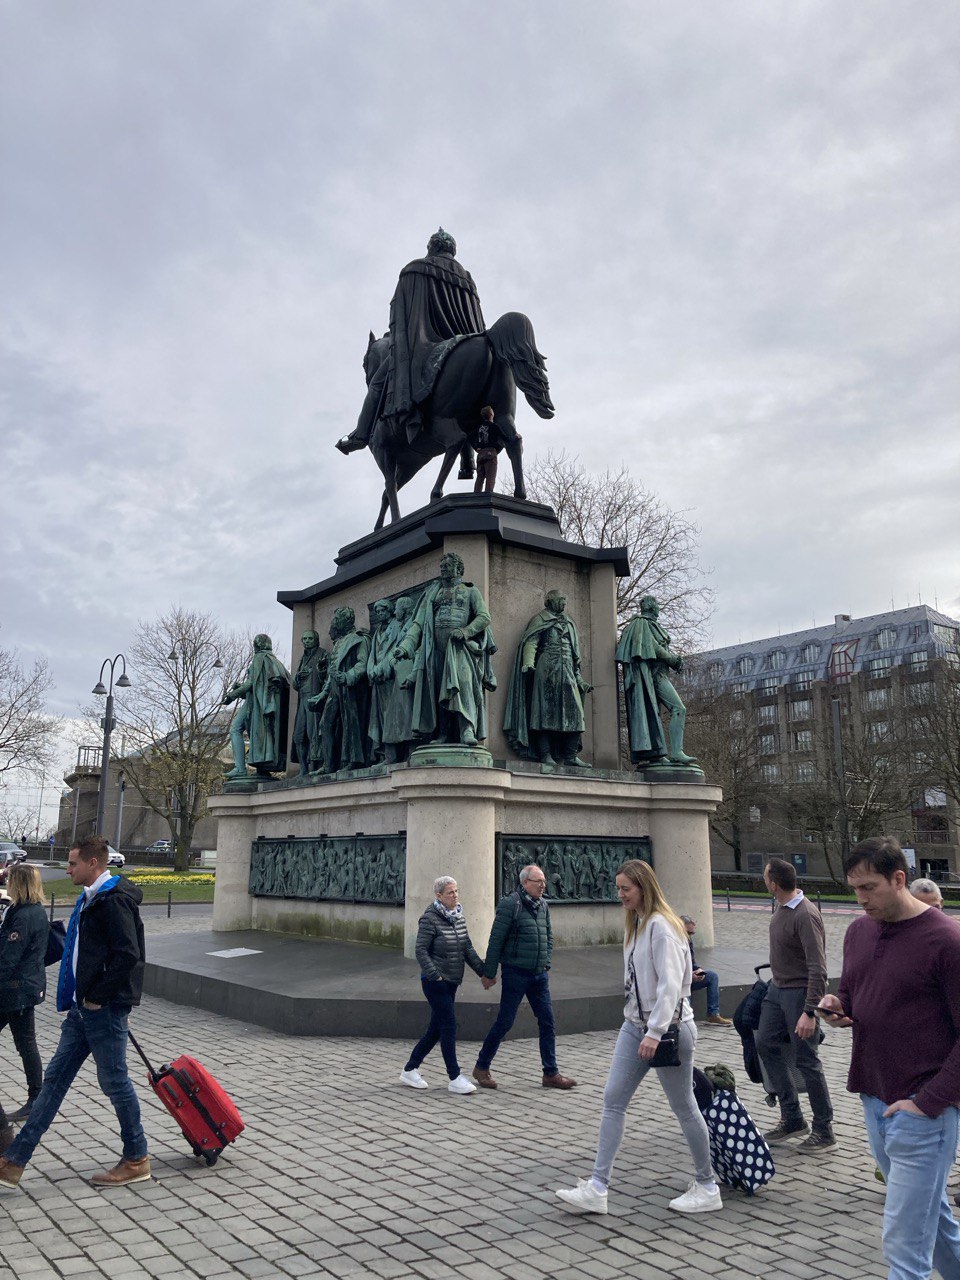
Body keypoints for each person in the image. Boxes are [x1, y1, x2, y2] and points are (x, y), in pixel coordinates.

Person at [819, 836, 960, 1280]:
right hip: (874, 1097)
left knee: (903, 1243)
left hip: (924, 1109)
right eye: (854, 888)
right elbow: (854, 992)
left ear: (899, 879)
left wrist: (929, 1102)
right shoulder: (860, 930)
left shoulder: (947, 941)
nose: (860, 899)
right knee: (932, 1223)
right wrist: (840, 1007)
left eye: (869, 888)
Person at [555, 859, 721, 1215]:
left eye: (625, 889)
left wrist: (656, 1031)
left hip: (668, 1030)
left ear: (644, 887)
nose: (620, 896)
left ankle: (707, 1185)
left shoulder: (661, 926)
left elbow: (672, 986)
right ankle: (598, 1186)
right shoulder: (639, 924)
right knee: (613, 1099)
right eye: (618, 889)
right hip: (636, 1026)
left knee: (685, 1107)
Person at [0, 835, 149, 1192]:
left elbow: (128, 955)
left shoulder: (113, 902)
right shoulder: (92, 898)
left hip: (104, 1009)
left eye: (72, 864)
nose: (67, 869)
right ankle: (13, 1162)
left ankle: (136, 1157)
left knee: (114, 1082)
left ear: (93, 864)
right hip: (81, 1011)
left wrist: (98, 997)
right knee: (53, 1084)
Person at [337, 227, 486, 454]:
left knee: (377, 383)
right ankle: (468, 451)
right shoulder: (468, 280)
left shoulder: (415, 269)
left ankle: (360, 435)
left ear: (432, 247)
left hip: (424, 344)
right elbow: (476, 321)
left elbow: (400, 315)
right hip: (466, 339)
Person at [472, 865, 576, 1091]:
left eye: (544, 881)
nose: (543, 885)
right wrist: (489, 973)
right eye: (538, 881)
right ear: (524, 883)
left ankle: (550, 1073)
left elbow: (548, 935)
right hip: (516, 973)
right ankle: (481, 1067)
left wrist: (546, 960)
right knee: (505, 1022)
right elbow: (496, 940)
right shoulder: (511, 905)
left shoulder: (543, 905)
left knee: (548, 1022)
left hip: (539, 975)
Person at [757, 857, 835, 1151]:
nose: (764, 882)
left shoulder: (805, 914)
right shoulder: (781, 907)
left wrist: (810, 1012)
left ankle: (824, 1130)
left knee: (807, 1060)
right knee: (764, 1043)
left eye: (765, 878)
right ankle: (792, 1118)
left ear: (773, 884)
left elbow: (818, 967)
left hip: (799, 994)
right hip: (777, 991)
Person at [395, 551, 495, 748]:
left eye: (447, 566)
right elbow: (418, 624)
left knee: (463, 686)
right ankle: (444, 732)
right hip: (436, 649)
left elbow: (484, 617)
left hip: (460, 648)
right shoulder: (433, 593)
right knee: (438, 690)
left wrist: (466, 631)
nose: (443, 569)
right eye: (441, 566)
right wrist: (405, 648)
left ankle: (467, 729)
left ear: (458, 568)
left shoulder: (470, 592)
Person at [400, 877, 485, 1095]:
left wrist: (485, 973)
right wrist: (434, 975)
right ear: (439, 896)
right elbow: (420, 950)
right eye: (450, 893)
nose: (455, 896)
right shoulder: (429, 919)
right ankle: (454, 1077)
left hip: (453, 981)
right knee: (449, 1025)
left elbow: (468, 950)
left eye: (456, 891)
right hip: (435, 983)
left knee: (436, 1029)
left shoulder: (459, 917)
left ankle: (410, 1069)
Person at [503, 589, 592, 766]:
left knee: (575, 715)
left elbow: (576, 657)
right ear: (550, 601)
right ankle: (545, 754)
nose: (564, 604)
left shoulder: (569, 623)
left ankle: (570, 755)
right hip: (546, 670)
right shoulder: (539, 620)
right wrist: (528, 662)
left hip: (567, 671)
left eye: (565, 601)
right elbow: (531, 641)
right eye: (561, 600)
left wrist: (579, 679)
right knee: (544, 714)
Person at [616, 595, 696, 767]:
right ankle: (676, 753)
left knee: (659, 714)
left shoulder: (650, 625)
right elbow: (653, 647)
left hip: (660, 675)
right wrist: (673, 659)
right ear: (652, 607)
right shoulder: (641, 623)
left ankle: (663, 753)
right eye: (657, 605)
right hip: (652, 676)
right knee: (678, 708)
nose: (659, 608)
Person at [0, 865, 49, 1144]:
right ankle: (36, 1096)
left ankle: (36, 1096)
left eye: (10, 880)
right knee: (26, 1042)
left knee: (26, 1043)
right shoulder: (31, 910)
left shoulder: (24, 916)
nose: (7, 884)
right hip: (22, 989)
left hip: (13, 991)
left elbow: (9, 957)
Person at [224, 634, 292, 778]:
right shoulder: (276, 661)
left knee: (235, 728)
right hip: (261, 704)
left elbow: (251, 684)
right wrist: (242, 689)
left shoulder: (260, 658)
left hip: (256, 705)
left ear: (257, 645)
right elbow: (259, 686)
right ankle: (259, 768)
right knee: (255, 735)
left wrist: (231, 695)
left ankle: (240, 768)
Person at [680, 915, 732, 1026]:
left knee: (712, 976)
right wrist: (689, 976)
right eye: (688, 932)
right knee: (686, 984)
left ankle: (713, 1014)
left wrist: (698, 970)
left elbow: (692, 962)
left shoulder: (688, 941)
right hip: (680, 980)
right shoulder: (673, 943)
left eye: (692, 933)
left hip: (689, 975)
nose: (690, 936)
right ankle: (686, 1018)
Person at [291, 629, 328, 776]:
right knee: (298, 736)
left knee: (313, 733)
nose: (306, 641)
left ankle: (316, 766)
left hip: (315, 699)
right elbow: (294, 685)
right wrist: (298, 678)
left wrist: (319, 672)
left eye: (309, 638)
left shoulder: (323, 654)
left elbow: (326, 677)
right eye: (304, 639)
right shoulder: (302, 658)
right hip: (302, 700)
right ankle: (303, 769)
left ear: (316, 640)